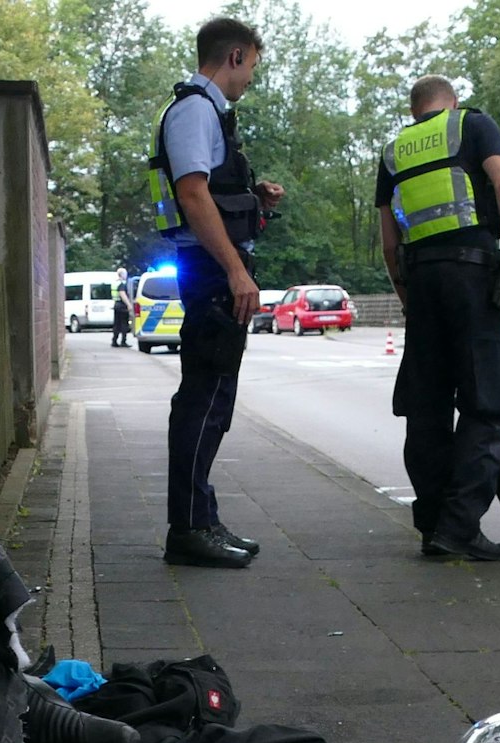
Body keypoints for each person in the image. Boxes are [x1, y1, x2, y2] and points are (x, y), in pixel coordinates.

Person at [376, 75, 500, 562]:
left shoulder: (394, 151)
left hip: (422, 280)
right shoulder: (472, 124)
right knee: (487, 403)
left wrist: (405, 293)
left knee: (426, 404)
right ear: (452, 102)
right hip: (473, 276)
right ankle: (460, 527)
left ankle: (432, 524)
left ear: (414, 112)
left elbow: (389, 240)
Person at [147, 17, 286, 568]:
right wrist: (234, 271)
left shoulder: (208, 115)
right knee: (202, 403)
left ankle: (202, 517)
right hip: (208, 272)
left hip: (213, 268)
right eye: (252, 65)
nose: (251, 77)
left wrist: (255, 198)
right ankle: (186, 529)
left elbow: (215, 194)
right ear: (234, 57)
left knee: (215, 402)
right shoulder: (194, 110)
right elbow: (193, 195)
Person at [110, 281, 132, 347]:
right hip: (122, 306)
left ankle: (114, 341)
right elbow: (122, 294)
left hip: (117, 305)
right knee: (124, 324)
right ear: (122, 275)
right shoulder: (122, 284)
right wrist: (128, 304)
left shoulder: (115, 283)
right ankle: (123, 341)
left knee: (117, 324)